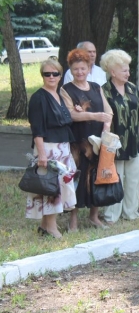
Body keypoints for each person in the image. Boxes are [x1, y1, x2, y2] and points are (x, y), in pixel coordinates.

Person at [60, 49, 113, 231]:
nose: (80, 72)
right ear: (71, 70)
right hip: (78, 143)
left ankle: (94, 216)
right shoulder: (66, 89)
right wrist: (95, 116)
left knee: (96, 178)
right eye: (76, 69)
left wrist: (106, 129)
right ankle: (73, 220)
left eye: (83, 68)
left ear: (89, 68)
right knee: (77, 178)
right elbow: (71, 115)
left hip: (98, 142)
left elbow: (109, 112)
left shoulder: (97, 87)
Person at [26, 59, 77, 238]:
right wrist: (41, 154)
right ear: (42, 75)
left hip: (62, 147)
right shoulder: (38, 98)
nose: (51, 77)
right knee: (50, 187)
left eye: (55, 73)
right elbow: (37, 129)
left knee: (58, 187)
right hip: (47, 148)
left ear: (60, 75)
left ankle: (44, 226)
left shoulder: (59, 95)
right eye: (47, 74)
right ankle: (51, 226)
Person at [101, 50, 139, 223]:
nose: (128, 73)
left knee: (134, 178)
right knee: (115, 178)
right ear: (113, 72)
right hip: (115, 141)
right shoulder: (104, 91)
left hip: (134, 140)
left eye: (128, 70)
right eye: (124, 70)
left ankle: (131, 212)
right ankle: (112, 215)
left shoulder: (132, 88)